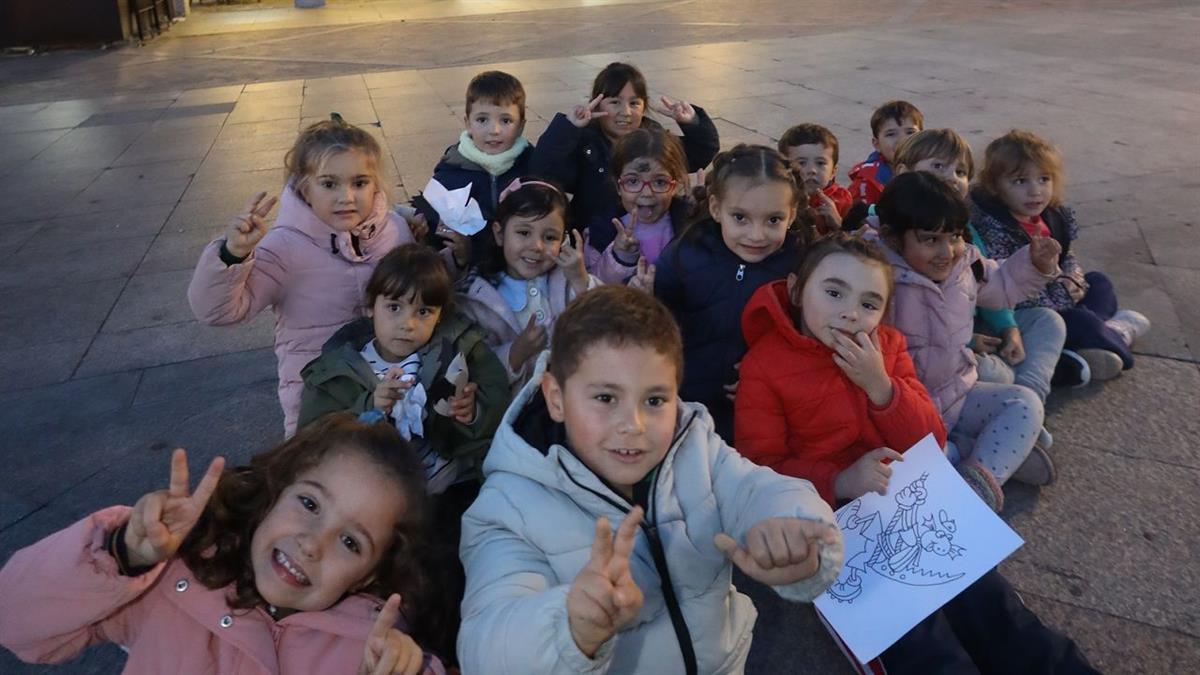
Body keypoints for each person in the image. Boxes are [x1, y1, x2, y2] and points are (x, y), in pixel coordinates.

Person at [734, 237, 1098, 674]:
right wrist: (839, 480)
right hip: (827, 521)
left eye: (869, 303)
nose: (851, 312)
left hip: (907, 501)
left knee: (994, 609)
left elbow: (928, 435)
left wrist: (882, 388)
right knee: (920, 643)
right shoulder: (765, 365)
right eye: (833, 293)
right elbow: (760, 471)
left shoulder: (886, 347)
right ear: (797, 290)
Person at [457, 285, 843, 674]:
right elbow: (485, 645)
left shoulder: (695, 448)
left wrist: (791, 529)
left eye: (655, 400)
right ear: (556, 398)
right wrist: (571, 628)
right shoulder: (507, 508)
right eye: (606, 398)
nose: (633, 425)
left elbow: (757, 490)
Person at [0, 414, 443, 675]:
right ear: (275, 493)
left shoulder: (367, 650)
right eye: (309, 503)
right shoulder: (171, 580)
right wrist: (121, 554)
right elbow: (16, 620)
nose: (313, 544)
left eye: (350, 541)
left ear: (368, 574)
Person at [188, 115, 416, 436]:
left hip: (393, 387)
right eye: (329, 184)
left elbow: (425, 293)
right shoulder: (284, 247)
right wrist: (232, 254)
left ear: (376, 184)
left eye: (360, 183)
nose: (346, 197)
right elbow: (219, 311)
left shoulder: (394, 231)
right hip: (318, 396)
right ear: (304, 188)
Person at [876, 172, 1062, 511]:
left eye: (954, 237)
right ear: (892, 238)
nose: (946, 251)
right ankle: (974, 451)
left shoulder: (967, 265)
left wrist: (1035, 264)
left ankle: (977, 483)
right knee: (913, 468)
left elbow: (1003, 285)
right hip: (905, 414)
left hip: (959, 392)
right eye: (930, 239)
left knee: (1025, 403)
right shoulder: (874, 277)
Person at [893, 128, 1068, 400]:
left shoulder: (964, 232)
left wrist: (1009, 329)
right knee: (997, 375)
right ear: (903, 172)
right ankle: (1020, 398)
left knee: (1048, 321)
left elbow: (988, 282)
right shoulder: (890, 233)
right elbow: (912, 325)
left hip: (974, 326)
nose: (951, 177)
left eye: (961, 172)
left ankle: (1029, 394)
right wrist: (969, 342)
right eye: (939, 166)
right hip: (937, 355)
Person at [654, 144, 811, 442]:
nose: (757, 235)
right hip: (685, 402)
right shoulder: (686, 254)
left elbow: (809, 338)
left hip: (763, 410)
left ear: (792, 215)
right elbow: (661, 324)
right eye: (740, 217)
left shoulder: (800, 266)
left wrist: (768, 373)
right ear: (716, 209)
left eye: (773, 220)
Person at [970, 129, 1150, 383]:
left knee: (1099, 282)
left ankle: (1099, 336)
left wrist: (1073, 285)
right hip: (1032, 309)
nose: (1035, 191)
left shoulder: (1052, 217)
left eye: (1044, 179)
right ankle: (1116, 337)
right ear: (995, 186)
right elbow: (1010, 287)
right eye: (1020, 181)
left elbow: (1069, 258)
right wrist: (1061, 300)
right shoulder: (994, 228)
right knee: (1078, 320)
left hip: (1062, 294)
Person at [530, 62, 719, 257]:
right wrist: (568, 127)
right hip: (596, 242)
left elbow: (702, 152)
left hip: (651, 242)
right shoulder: (584, 143)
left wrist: (692, 122)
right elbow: (543, 172)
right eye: (615, 102)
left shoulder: (655, 142)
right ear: (596, 103)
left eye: (634, 103)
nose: (626, 112)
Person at [454, 180, 598, 387]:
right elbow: (478, 370)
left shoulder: (567, 278)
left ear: (563, 241)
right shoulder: (478, 298)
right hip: (519, 411)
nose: (537, 246)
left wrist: (580, 280)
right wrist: (516, 352)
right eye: (524, 233)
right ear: (499, 234)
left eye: (550, 237)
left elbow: (606, 320)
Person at [410, 71, 534, 268]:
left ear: (521, 126)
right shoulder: (451, 170)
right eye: (482, 120)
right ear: (468, 123)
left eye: (506, 120)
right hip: (470, 271)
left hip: (523, 269)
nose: (494, 130)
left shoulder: (531, 167)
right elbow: (433, 226)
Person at [588, 127, 694, 285]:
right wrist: (620, 256)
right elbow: (594, 286)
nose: (647, 193)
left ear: (674, 185)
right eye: (633, 181)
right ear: (618, 186)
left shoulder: (690, 226)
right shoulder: (602, 231)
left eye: (659, 182)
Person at [778, 123, 853, 234]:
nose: (812, 170)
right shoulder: (778, 198)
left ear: (833, 171)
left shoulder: (841, 199)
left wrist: (838, 223)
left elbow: (851, 242)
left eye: (820, 163)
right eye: (802, 163)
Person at [846, 100, 924, 206]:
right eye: (891, 134)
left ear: (923, 138)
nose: (902, 140)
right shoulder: (868, 181)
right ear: (877, 144)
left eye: (910, 132)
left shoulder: (935, 167)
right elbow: (857, 216)